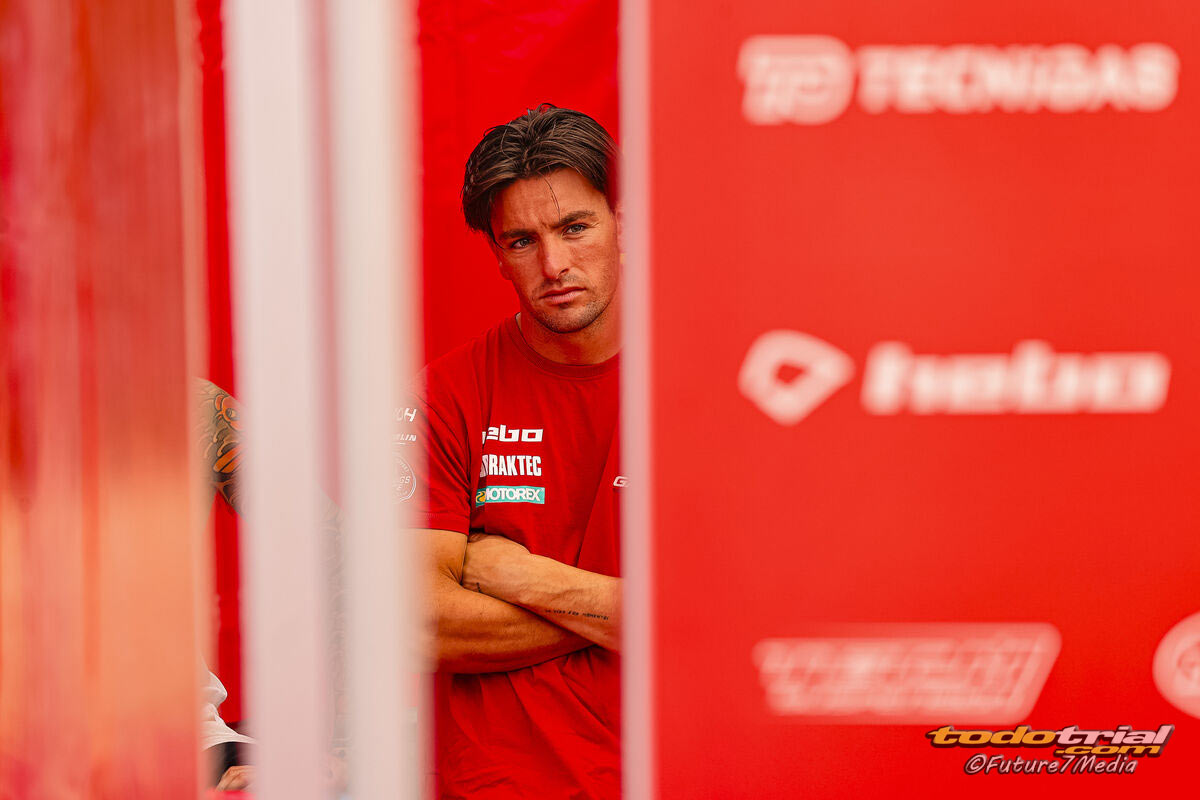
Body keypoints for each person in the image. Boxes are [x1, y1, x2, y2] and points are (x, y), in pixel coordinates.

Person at [403, 104, 623, 799]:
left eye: (575, 227)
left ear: (626, 223)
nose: (554, 265)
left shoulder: (710, 384)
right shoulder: (442, 395)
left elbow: (729, 623)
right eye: (523, 240)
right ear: (496, 255)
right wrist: (628, 612)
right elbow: (418, 624)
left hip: (685, 770)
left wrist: (516, 576)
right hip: (500, 782)